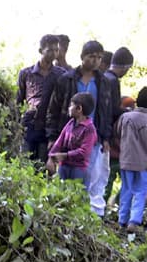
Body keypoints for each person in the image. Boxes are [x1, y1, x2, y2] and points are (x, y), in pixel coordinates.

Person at [46, 40, 116, 217]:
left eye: (99, 58)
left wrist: (106, 137)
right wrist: (53, 137)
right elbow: (54, 108)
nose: (96, 61)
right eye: (92, 57)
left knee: (89, 177)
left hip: (93, 134)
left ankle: (85, 215)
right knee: (65, 175)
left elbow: (107, 110)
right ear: (83, 57)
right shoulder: (67, 79)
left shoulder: (104, 82)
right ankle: (62, 212)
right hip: (70, 133)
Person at [17, 34, 66, 164]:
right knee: (25, 163)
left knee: (44, 167)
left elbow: (62, 103)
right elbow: (18, 100)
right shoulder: (26, 73)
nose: (54, 53)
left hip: (49, 128)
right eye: (50, 50)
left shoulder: (61, 75)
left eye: (56, 50)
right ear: (41, 51)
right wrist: (16, 125)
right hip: (29, 125)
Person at [47, 92, 97, 190]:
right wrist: (51, 157)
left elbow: (84, 152)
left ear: (79, 109)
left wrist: (65, 155)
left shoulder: (89, 129)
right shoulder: (70, 124)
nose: (69, 108)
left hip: (79, 169)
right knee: (60, 192)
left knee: (76, 195)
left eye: (71, 105)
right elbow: (59, 141)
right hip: (65, 165)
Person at [104, 47, 135, 204]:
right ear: (124, 66)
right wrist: (127, 111)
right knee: (106, 177)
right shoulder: (113, 80)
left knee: (103, 177)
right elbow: (113, 110)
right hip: (106, 136)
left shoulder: (103, 77)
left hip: (100, 133)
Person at [114, 87, 147, 233]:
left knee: (126, 189)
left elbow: (117, 132)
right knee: (140, 191)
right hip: (142, 162)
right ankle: (134, 220)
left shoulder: (126, 117)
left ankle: (122, 220)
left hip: (126, 159)